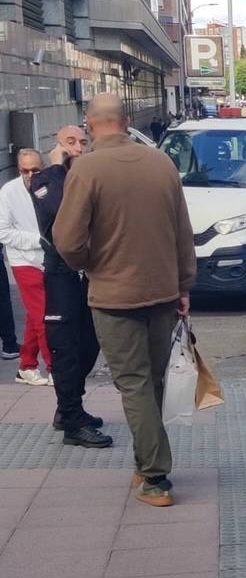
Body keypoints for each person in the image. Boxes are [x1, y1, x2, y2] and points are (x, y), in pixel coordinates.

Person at [53, 94, 197, 508]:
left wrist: (89, 263)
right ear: (127, 121)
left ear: (89, 124)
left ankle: (155, 476)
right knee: (152, 380)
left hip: (114, 294)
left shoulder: (87, 168)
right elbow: (182, 232)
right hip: (163, 291)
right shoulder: (161, 163)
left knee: (132, 384)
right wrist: (184, 285)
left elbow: (66, 239)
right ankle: (144, 462)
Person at [28, 126, 111, 448]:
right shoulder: (45, 181)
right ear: (58, 147)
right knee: (65, 349)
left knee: (89, 343)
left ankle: (69, 410)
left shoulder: (86, 178)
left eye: (82, 142)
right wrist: (57, 165)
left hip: (87, 275)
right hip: (60, 274)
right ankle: (72, 421)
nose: (78, 148)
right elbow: (63, 212)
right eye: (70, 143)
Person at [0, 149, 52, 386]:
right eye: (24, 170)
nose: (30, 175)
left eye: (35, 170)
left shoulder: (51, 186)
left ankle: (27, 366)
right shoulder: (9, 192)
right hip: (23, 261)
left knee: (36, 315)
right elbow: (3, 232)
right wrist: (37, 241)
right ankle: (54, 369)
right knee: (43, 315)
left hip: (49, 259)